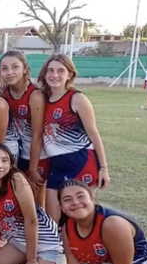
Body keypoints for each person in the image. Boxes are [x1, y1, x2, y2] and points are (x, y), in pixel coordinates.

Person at [38, 54, 110, 222]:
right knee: (53, 220)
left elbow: (94, 134)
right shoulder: (42, 98)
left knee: (83, 216)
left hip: (81, 160)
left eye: (60, 71)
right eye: (50, 70)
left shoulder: (77, 99)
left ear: (69, 74)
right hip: (56, 163)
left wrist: (104, 168)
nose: (54, 75)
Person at [0, 50, 48, 205]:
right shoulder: (3, 92)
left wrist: (33, 169)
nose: (9, 72)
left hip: (37, 156)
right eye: (4, 68)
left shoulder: (35, 95)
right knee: (18, 200)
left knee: (37, 203)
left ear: (25, 68)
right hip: (17, 154)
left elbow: (37, 134)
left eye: (15, 67)